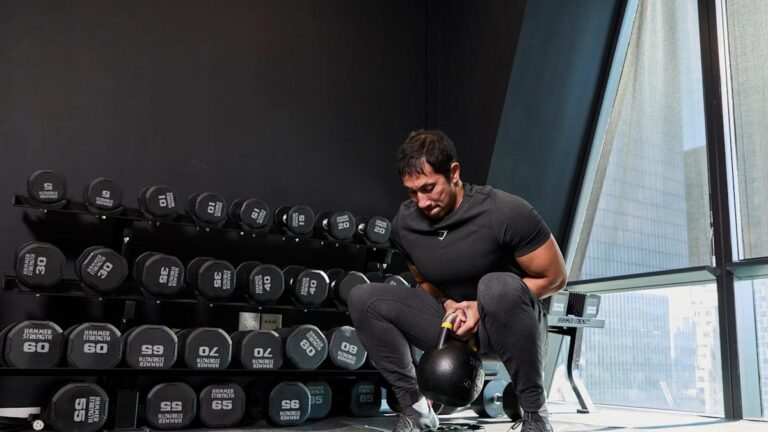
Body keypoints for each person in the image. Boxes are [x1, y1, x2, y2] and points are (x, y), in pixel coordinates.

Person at [347, 130, 568, 432]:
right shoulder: (405, 226)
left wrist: (478, 307)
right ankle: (416, 409)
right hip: (452, 326)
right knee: (363, 298)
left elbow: (556, 277)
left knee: (495, 287)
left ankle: (535, 416)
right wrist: (449, 304)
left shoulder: (506, 212)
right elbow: (425, 281)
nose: (422, 202)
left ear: (453, 173)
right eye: (412, 192)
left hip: (509, 324)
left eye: (429, 188)